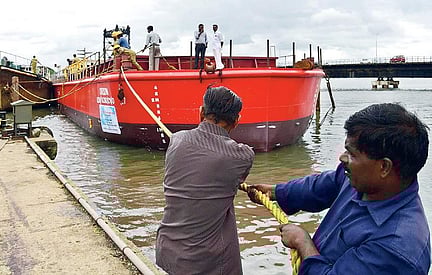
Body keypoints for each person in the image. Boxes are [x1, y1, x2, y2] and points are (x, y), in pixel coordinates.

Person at [248, 103, 431, 274]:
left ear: (384, 167)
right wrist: (276, 192)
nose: (342, 158)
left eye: (351, 153)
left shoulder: (395, 247)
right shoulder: (361, 180)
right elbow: (322, 185)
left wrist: (302, 243)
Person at [156, 86, 255, 275]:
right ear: (236, 121)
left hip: (167, 249)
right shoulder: (242, 156)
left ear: (201, 112)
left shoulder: (176, 140)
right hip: (205, 262)